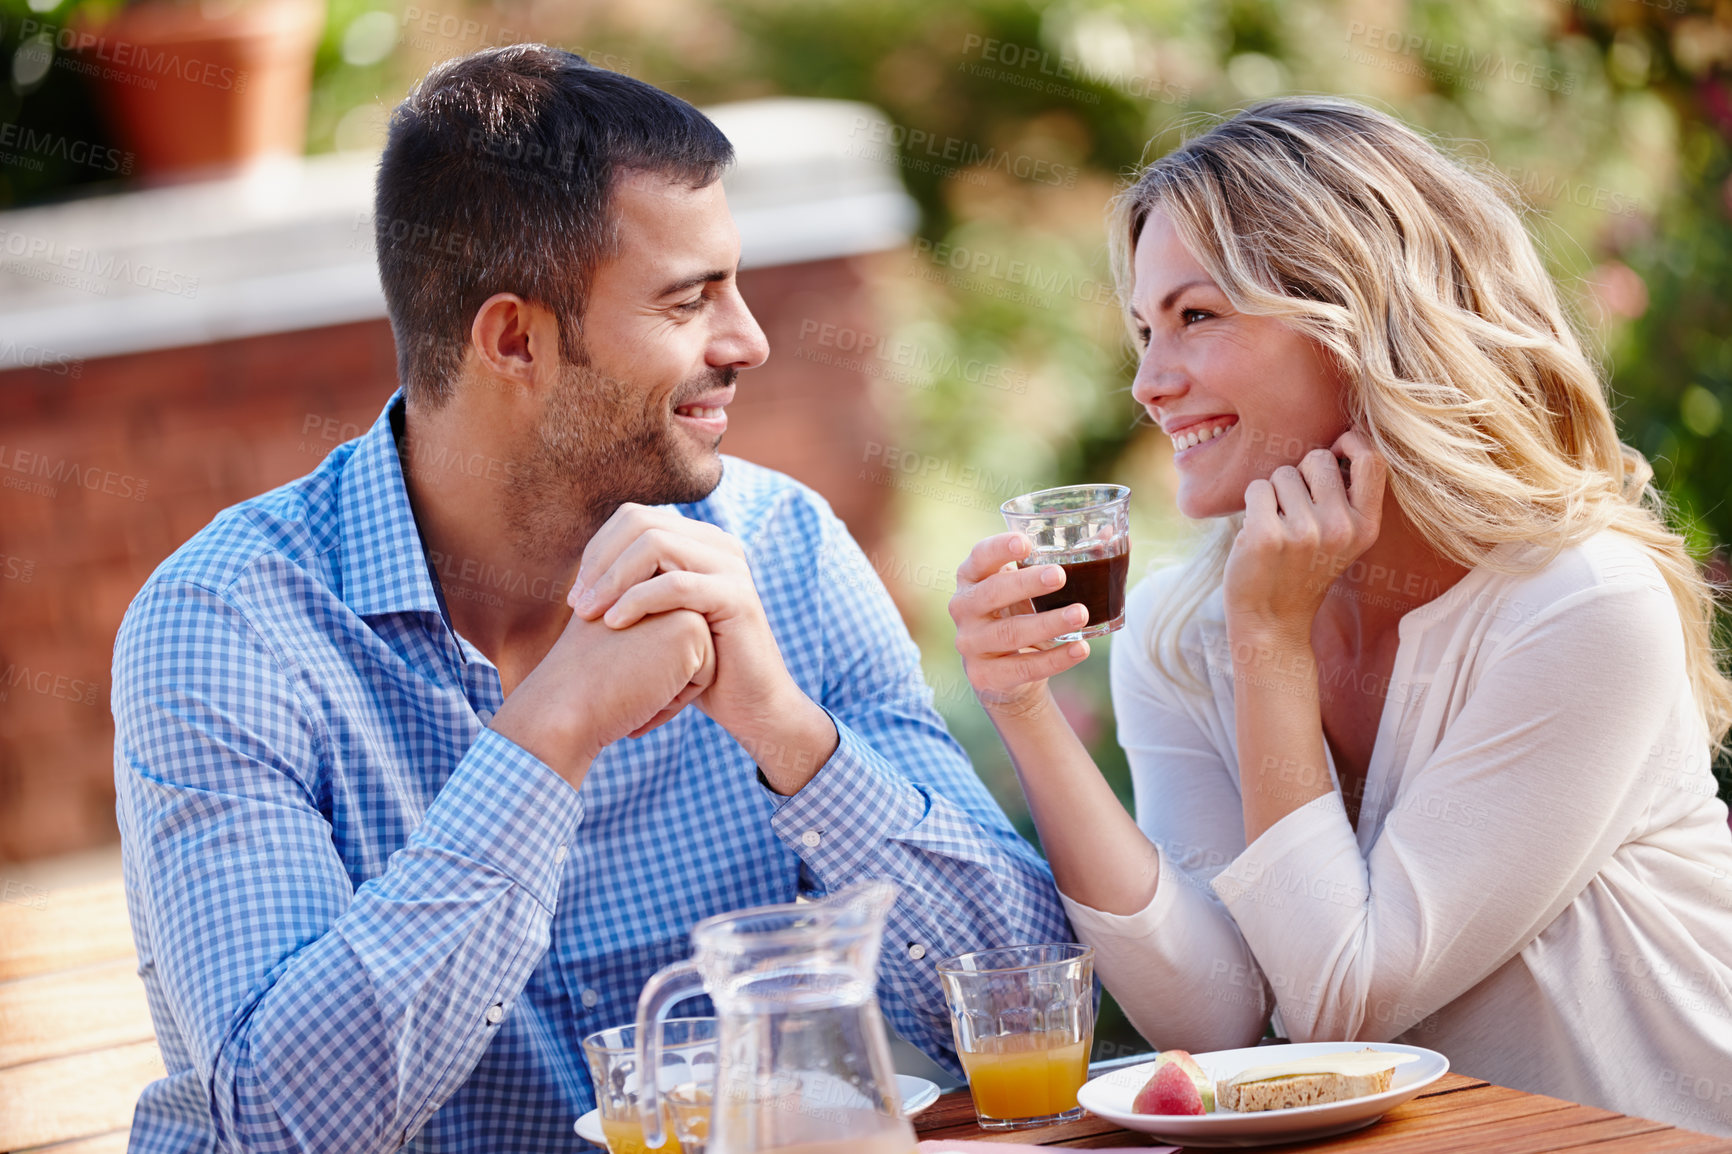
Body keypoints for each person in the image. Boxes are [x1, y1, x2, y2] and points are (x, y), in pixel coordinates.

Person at [112, 45, 1068, 1152]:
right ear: (514, 338)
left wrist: (791, 733)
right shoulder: (233, 626)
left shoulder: (780, 552)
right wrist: (548, 735)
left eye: (736, 282)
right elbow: (282, 1124)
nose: (747, 339)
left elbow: (1019, 1004)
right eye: (689, 298)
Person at [950, 97, 1732, 1136]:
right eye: (1143, 328)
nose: (1148, 382)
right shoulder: (1187, 624)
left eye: (1197, 315)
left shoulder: (1578, 604)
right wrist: (1023, 705)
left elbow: (1341, 1004)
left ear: (1357, 322)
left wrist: (1272, 644)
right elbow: (1218, 1014)